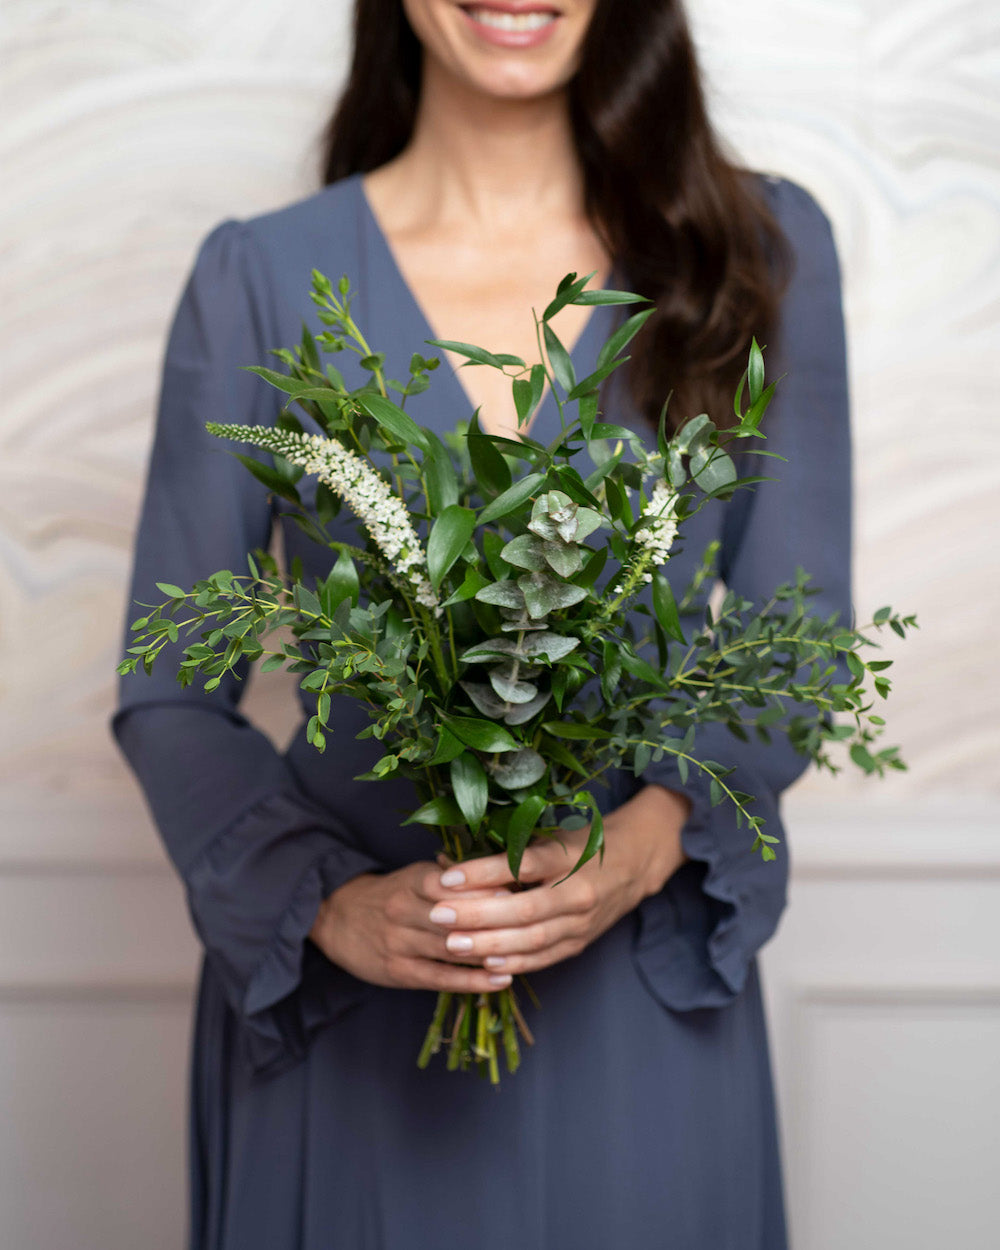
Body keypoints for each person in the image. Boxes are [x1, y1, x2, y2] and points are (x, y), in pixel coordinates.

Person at [112, 2, 851, 1247]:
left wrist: (649, 839)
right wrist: (326, 904)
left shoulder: (756, 248)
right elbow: (171, 688)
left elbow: (799, 629)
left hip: (639, 1005)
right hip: (346, 1024)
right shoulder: (259, 274)